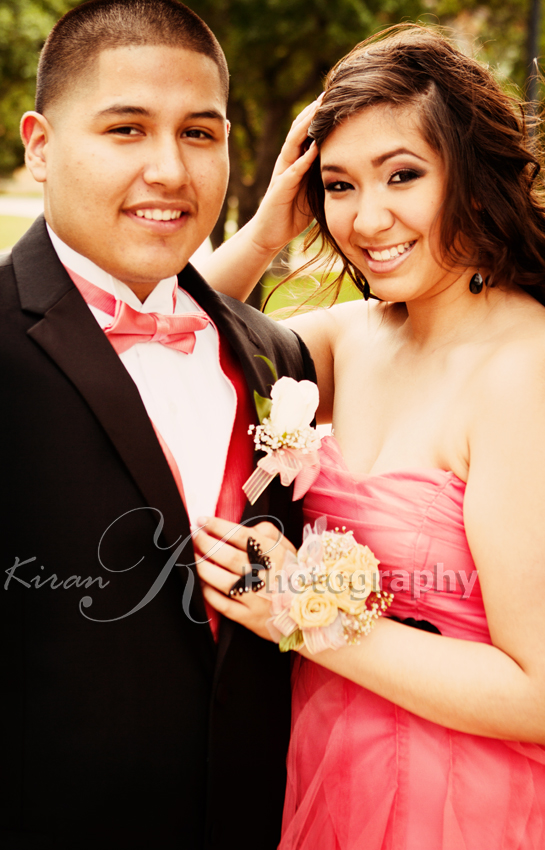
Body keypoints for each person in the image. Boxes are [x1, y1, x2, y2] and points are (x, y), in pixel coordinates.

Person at [193, 25, 545, 849]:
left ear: (472, 179)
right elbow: (172, 342)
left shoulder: (529, 370)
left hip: (460, 802)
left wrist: (301, 610)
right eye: (338, 185)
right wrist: (264, 232)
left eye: (402, 175)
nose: (366, 218)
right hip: (326, 768)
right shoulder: (350, 338)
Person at [0, 1, 319, 848]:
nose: (171, 171)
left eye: (199, 133)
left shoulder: (279, 355)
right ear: (40, 145)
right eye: (127, 129)